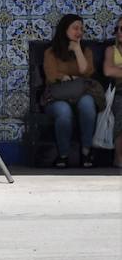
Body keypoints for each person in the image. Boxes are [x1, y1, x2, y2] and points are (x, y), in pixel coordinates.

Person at [41, 13, 97, 168]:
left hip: (80, 94)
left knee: (88, 105)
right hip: (57, 96)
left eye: (81, 29)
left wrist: (78, 50)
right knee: (64, 112)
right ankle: (63, 154)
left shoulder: (86, 51)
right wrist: (70, 77)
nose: (79, 32)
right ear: (64, 29)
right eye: (75, 28)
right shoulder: (51, 52)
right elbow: (52, 76)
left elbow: (87, 73)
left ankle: (86, 151)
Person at [104, 15, 122, 168]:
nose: (120, 32)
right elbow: (108, 70)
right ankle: (119, 157)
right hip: (119, 93)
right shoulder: (111, 50)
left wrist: (119, 69)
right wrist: (115, 70)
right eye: (118, 29)